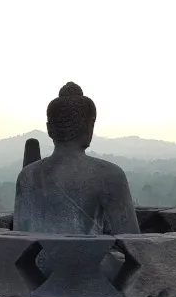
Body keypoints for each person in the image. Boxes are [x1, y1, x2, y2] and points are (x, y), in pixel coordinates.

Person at [14, 82, 140, 235]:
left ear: (49, 129)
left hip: (36, 259)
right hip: (92, 259)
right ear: (89, 126)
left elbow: (19, 236)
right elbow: (132, 241)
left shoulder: (27, 175)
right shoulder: (110, 175)